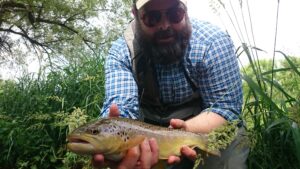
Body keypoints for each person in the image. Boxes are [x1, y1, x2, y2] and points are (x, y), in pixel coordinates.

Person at [93, 0, 249, 168]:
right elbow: (123, 107)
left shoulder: (212, 42)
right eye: (153, 17)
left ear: (185, 10)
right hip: (148, 134)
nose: (165, 25)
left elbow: (227, 108)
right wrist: (114, 143)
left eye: (175, 14)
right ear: (136, 15)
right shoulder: (122, 52)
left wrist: (183, 132)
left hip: (206, 126)